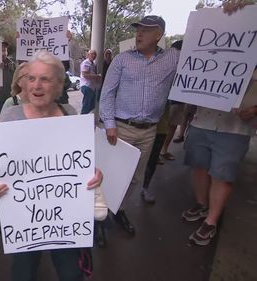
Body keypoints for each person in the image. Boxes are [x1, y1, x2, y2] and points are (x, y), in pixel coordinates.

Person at [0, 50, 103, 281]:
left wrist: (94, 174)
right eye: (31, 78)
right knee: (23, 274)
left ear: (59, 85)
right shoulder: (11, 116)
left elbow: (82, 164)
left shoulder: (70, 115)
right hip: (23, 219)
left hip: (65, 217)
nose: (36, 85)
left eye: (45, 79)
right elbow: (2, 168)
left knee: (72, 274)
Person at [99, 15, 179, 235]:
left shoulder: (173, 59)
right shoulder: (122, 59)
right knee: (111, 174)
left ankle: (119, 209)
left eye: (146, 29)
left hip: (149, 131)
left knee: (134, 176)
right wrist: (109, 123)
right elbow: (107, 94)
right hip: (120, 129)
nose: (139, 33)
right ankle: (100, 216)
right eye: (138, 29)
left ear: (159, 35)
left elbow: (204, 51)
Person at [182, 67, 257, 246]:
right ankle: (201, 205)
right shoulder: (208, 54)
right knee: (198, 165)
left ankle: (211, 221)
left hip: (235, 127)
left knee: (222, 175)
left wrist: (255, 109)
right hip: (202, 121)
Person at [0, 37, 16, 117]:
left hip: (12, 98)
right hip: (0, 100)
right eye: (0, 51)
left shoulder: (12, 64)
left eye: (4, 50)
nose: (3, 53)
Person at [80, 50, 101, 114]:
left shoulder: (93, 63)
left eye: (95, 54)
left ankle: (86, 117)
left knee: (92, 105)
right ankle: (82, 118)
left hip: (92, 87)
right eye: (92, 54)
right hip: (86, 86)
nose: (94, 56)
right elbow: (85, 75)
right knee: (87, 105)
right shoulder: (85, 63)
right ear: (88, 55)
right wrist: (96, 76)